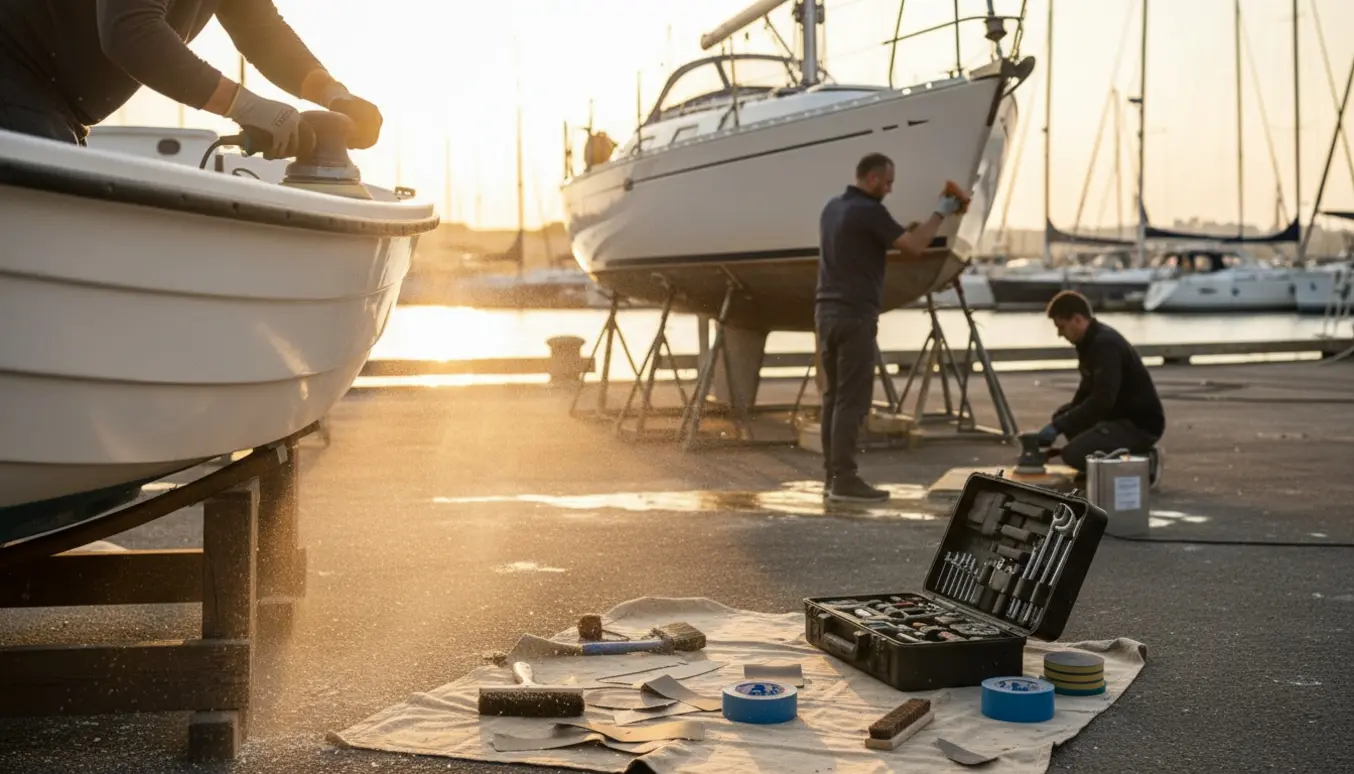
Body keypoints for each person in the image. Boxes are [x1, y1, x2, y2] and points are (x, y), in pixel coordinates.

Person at [0, 0, 381, 158]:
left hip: (49, 105)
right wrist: (248, 107)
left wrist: (335, 95)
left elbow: (262, 33)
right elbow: (130, 32)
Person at [816, 152, 969, 503]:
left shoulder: (832, 208)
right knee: (853, 402)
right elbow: (914, 248)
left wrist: (900, 231)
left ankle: (832, 477)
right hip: (855, 316)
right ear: (871, 179)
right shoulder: (870, 211)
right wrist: (940, 213)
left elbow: (873, 242)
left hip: (825, 314)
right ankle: (845, 479)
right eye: (888, 182)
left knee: (833, 399)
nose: (890, 189)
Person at [1037, 290, 1165, 484]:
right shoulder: (1088, 343)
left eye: (1061, 327)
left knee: (1074, 455)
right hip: (1116, 414)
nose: (1059, 334)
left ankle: (1144, 459)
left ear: (1077, 320)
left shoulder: (1106, 345)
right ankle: (1102, 454)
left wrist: (1059, 428)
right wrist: (1061, 421)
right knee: (1064, 416)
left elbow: (1102, 399)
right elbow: (1086, 392)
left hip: (1139, 423)